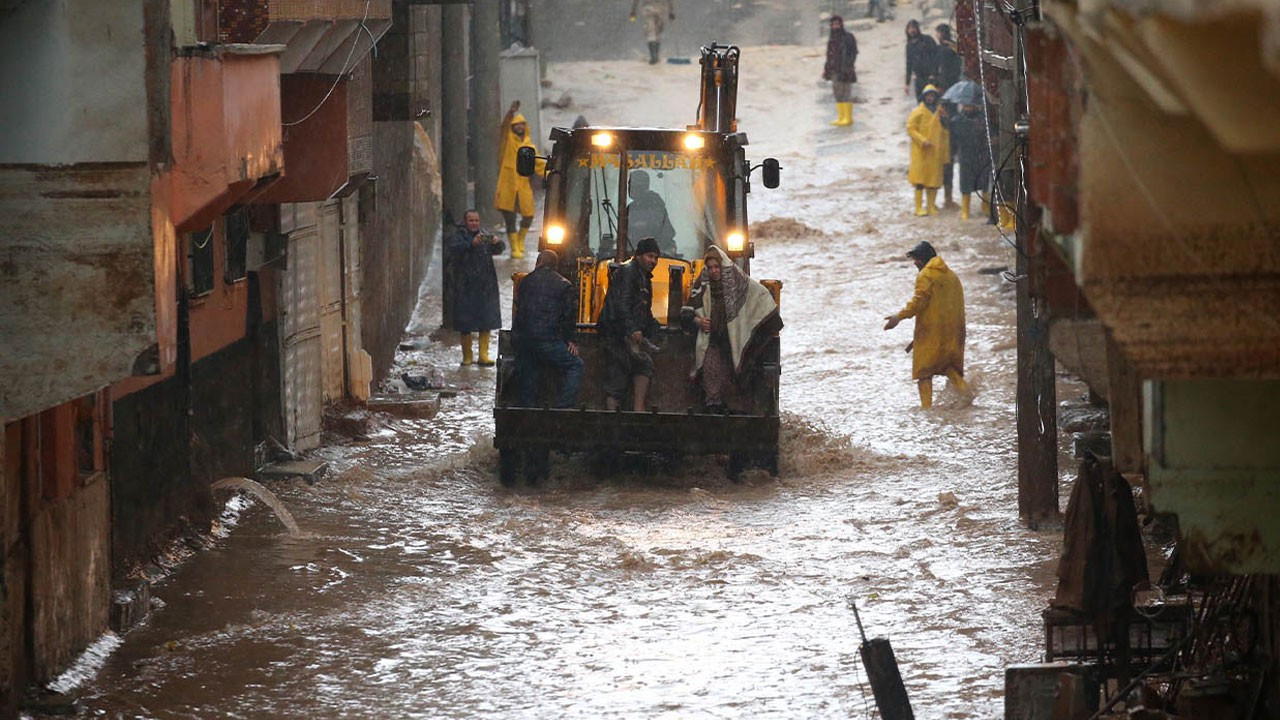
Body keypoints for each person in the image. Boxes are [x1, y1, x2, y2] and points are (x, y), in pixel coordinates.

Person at [689, 246, 783, 412]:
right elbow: (687, 311)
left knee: (741, 369)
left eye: (716, 267)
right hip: (713, 341)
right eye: (709, 267)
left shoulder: (738, 283)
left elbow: (759, 295)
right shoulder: (702, 287)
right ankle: (713, 407)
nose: (713, 271)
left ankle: (738, 408)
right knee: (711, 367)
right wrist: (698, 320)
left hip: (734, 340)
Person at [883, 241, 970, 409]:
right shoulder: (952, 276)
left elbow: (919, 302)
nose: (915, 263)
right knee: (948, 368)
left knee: (924, 373)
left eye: (916, 259)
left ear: (923, 259)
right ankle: (968, 396)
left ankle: (927, 412)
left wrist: (898, 317)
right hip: (954, 332)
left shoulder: (926, 275)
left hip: (932, 332)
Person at [512, 250, 583, 408]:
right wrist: (571, 339)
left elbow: (520, 311)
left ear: (538, 263)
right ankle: (563, 408)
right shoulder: (564, 285)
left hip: (526, 341)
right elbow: (568, 315)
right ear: (555, 266)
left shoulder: (525, 282)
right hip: (549, 341)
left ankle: (527, 411)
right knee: (575, 364)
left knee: (529, 370)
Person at [599, 236, 662, 411]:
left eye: (656, 257)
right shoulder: (628, 272)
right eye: (650, 256)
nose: (654, 261)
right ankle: (614, 416)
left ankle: (638, 410)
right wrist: (632, 329)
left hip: (627, 333)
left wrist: (654, 329)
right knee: (617, 376)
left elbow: (643, 309)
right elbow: (622, 304)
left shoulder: (643, 277)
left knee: (643, 365)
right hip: (616, 334)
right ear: (639, 255)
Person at [446, 210, 504, 367]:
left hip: (486, 285)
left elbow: (500, 249)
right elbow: (454, 249)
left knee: (486, 320)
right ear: (465, 222)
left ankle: (483, 355)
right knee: (466, 322)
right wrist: (470, 244)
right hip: (465, 286)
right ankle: (467, 356)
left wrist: (497, 242)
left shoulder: (484, 235)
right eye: (471, 220)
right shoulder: (458, 237)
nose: (474, 223)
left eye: (476, 220)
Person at [495, 100, 545, 259]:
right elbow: (503, 128)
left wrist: (552, 173)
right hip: (507, 185)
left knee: (529, 215)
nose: (519, 127)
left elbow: (538, 164)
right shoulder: (506, 142)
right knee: (509, 218)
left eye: (522, 124)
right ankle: (514, 246)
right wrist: (511, 113)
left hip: (523, 186)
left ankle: (521, 240)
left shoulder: (530, 146)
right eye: (516, 125)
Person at [946, 103, 990, 220]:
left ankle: (985, 206)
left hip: (981, 154)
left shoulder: (983, 119)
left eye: (971, 105)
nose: (968, 107)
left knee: (984, 181)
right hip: (965, 156)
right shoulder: (957, 120)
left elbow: (987, 136)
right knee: (965, 182)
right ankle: (965, 209)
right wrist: (952, 153)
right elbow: (953, 139)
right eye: (966, 105)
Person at [907, 84, 946, 216]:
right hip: (921, 151)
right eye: (928, 96)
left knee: (933, 180)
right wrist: (922, 140)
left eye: (932, 96)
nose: (930, 98)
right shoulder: (918, 112)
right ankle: (918, 207)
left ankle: (931, 206)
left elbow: (945, 129)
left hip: (935, 151)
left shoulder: (939, 111)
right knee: (920, 180)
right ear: (924, 97)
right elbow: (910, 129)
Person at [626, 170, 677, 256]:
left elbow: (667, 232)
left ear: (639, 186)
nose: (628, 188)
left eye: (630, 184)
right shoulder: (632, 207)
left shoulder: (654, 204)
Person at [822, 15, 859, 128]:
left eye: (837, 24)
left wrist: (848, 66)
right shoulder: (831, 39)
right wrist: (826, 69)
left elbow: (854, 53)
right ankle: (841, 117)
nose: (835, 27)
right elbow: (829, 56)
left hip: (846, 70)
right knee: (837, 93)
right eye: (833, 25)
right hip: (834, 70)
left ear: (841, 25)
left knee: (846, 93)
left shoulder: (848, 37)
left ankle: (848, 117)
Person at [629, 0, 676, 65]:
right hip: (653, 8)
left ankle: (655, 56)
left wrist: (633, 10)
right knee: (653, 31)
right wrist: (671, 11)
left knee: (656, 31)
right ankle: (654, 57)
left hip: (656, 8)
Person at [904, 20, 938, 101]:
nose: (912, 30)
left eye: (913, 28)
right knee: (920, 102)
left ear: (918, 29)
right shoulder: (909, 45)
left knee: (932, 101)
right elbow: (909, 64)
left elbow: (936, 56)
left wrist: (934, 73)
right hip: (918, 78)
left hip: (930, 77)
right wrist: (907, 83)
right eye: (909, 28)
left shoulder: (927, 40)